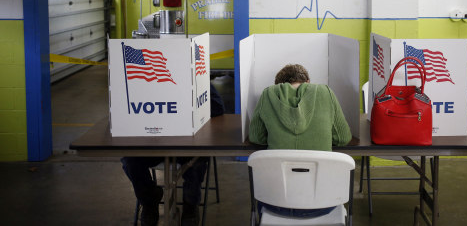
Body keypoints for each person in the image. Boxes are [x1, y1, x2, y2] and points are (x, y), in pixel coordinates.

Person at [248, 64, 352, 218]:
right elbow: (343, 138)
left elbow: (256, 137)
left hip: (275, 203)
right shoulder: (326, 93)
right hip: (324, 203)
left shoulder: (268, 94)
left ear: (279, 85)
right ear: (307, 82)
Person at [121, 83, 225, 226]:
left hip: (188, 144)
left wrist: (184, 105)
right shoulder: (144, 81)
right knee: (130, 160)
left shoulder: (195, 78)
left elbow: (218, 108)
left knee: (198, 160)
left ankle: (190, 205)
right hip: (153, 143)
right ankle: (149, 200)